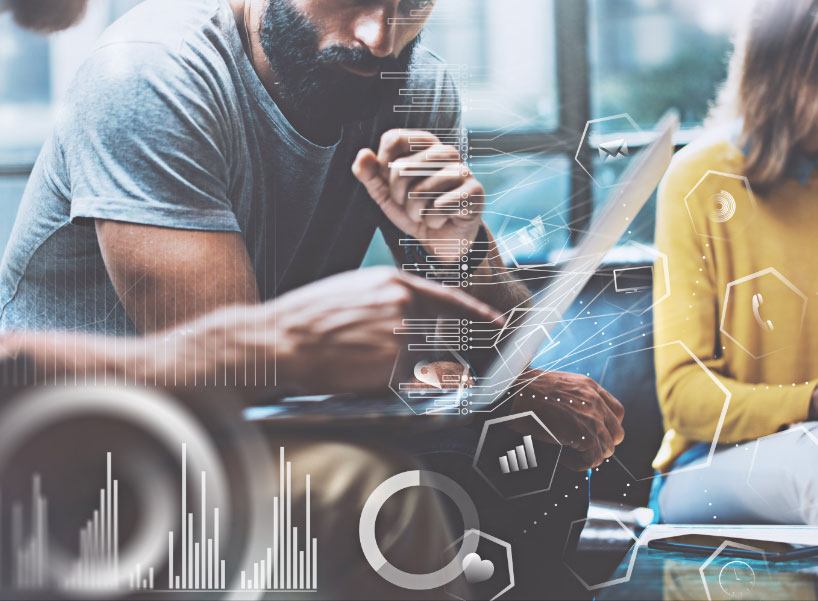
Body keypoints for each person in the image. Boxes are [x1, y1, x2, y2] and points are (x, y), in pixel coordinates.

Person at [0, 0, 625, 597]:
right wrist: (422, 372)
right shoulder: (153, 73)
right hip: (97, 439)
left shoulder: (405, 83)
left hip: (252, 419)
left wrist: (460, 247)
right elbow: (240, 366)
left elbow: (495, 350)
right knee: (367, 495)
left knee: (534, 452)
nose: (381, 36)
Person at [651, 0, 818, 524]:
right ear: (788, 77)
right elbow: (684, 398)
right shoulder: (698, 179)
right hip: (708, 467)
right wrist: (810, 404)